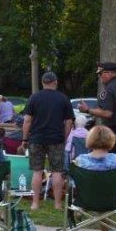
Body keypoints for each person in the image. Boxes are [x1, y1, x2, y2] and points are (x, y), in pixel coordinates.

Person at [21, 71, 74, 211]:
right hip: (56, 139)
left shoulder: (34, 98)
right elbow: (69, 122)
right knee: (57, 171)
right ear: (55, 82)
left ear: (42, 83)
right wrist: (64, 138)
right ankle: (57, 204)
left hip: (36, 138)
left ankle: (35, 203)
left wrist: (25, 138)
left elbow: (27, 120)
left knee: (37, 171)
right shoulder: (63, 98)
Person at [73, 125, 116, 231]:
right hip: (112, 199)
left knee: (93, 192)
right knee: (106, 200)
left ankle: (81, 208)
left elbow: (74, 182)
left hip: (86, 198)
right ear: (111, 140)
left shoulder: (80, 159)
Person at [79, 61, 116, 155]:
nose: (99, 77)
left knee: (113, 159)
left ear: (109, 73)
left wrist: (87, 109)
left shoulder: (109, 89)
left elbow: (107, 113)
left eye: (100, 74)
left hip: (115, 131)